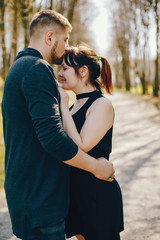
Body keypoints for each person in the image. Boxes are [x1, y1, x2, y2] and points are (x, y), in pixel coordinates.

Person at [1, 10, 115, 240]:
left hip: (29, 193)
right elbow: (53, 137)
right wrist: (95, 166)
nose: (65, 46)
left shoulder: (19, 68)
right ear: (50, 37)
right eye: (64, 40)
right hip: (39, 197)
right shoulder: (37, 68)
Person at [58, 45, 124, 240]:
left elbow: (81, 145)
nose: (60, 73)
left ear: (83, 71)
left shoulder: (101, 104)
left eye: (64, 68)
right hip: (76, 193)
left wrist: (61, 106)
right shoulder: (74, 105)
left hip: (97, 194)